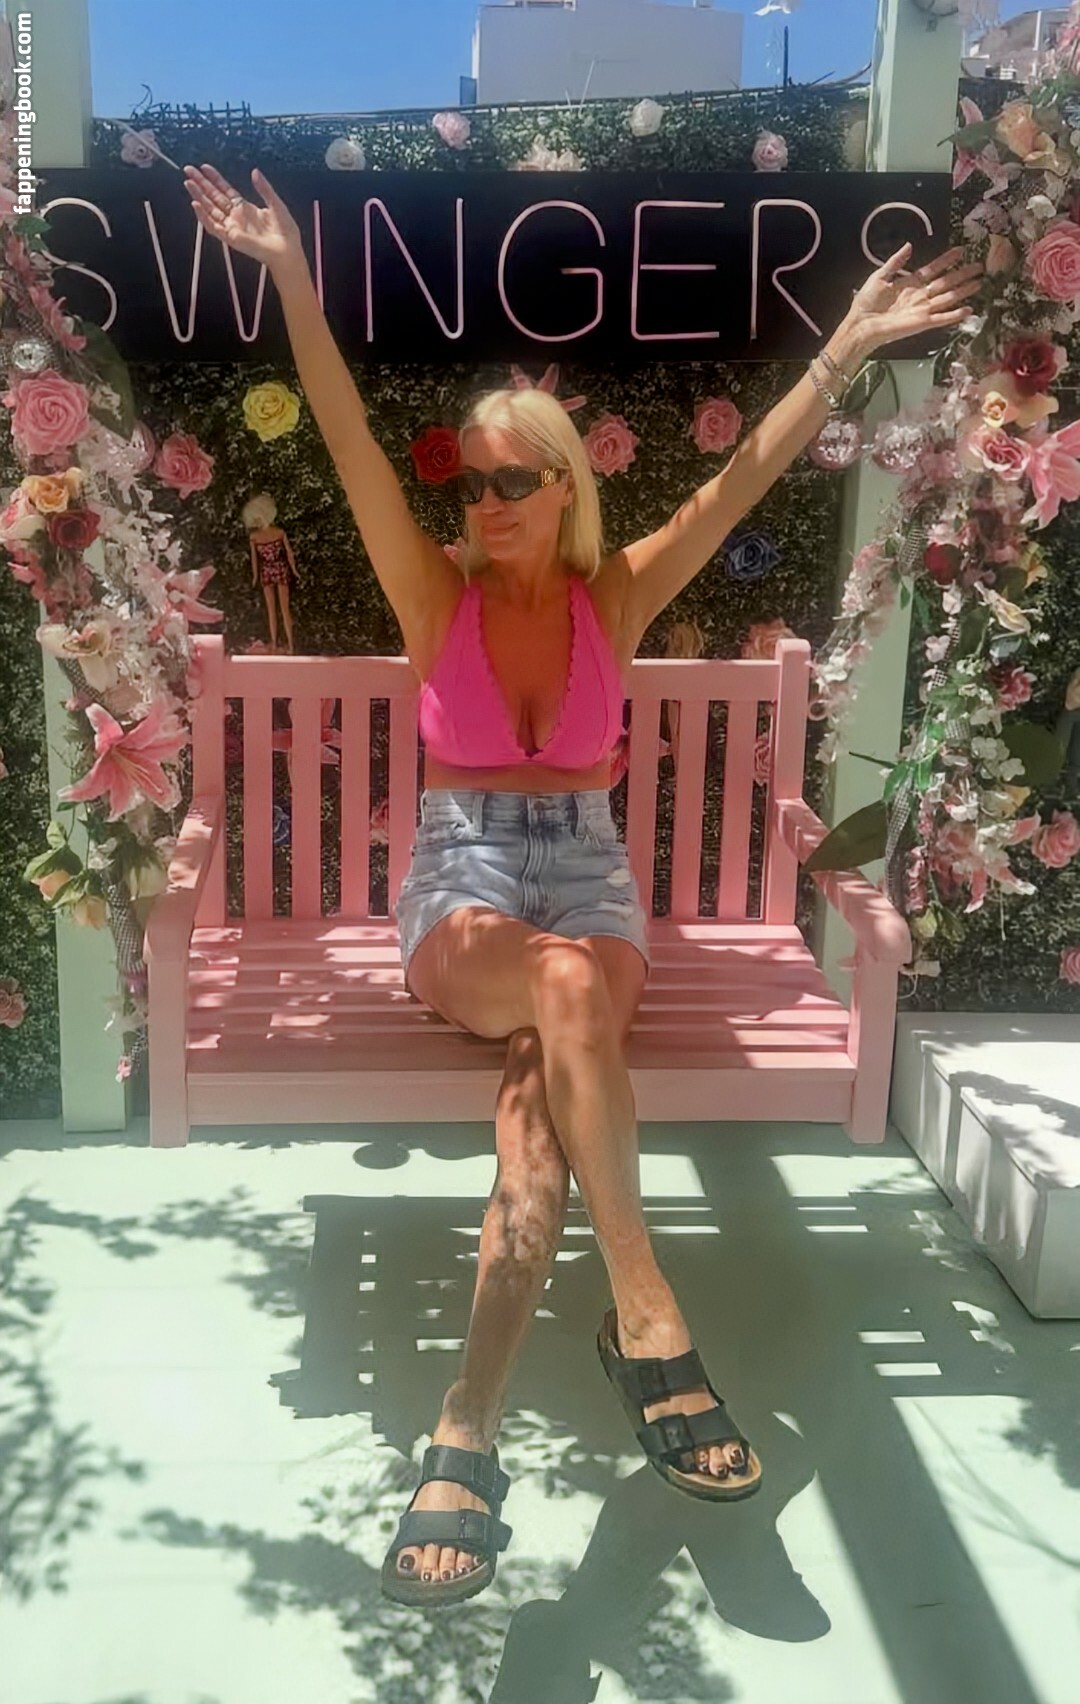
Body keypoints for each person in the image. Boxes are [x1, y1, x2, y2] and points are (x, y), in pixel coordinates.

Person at [184, 160, 982, 1609]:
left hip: (594, 883)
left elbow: (744, 476)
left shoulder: (619, 595)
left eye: (514, 478)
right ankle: (647, 1308)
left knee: (534, 1145)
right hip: (466, 885)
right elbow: (351, 440)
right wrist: (291, 274)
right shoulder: (433, 596)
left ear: (564, 486)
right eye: (470, 479)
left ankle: (464, 1430)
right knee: (556, 990)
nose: (486, 500)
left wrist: (851, 344)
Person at [241, 490, 298, 652]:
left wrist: (255, 576)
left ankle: (277, 643)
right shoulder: (278, 533)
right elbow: (289, 554)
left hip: (266, 571)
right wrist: (294, 570)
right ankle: (287, 645)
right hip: (279, 569)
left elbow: (255, 560)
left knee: (273, 610)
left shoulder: (255, 537)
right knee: (282, 609)